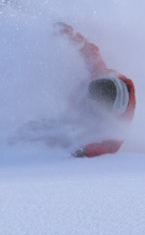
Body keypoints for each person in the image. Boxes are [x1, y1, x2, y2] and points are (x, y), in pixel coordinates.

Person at [55, 22, 136, 157]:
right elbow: (88, 50)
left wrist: (87, 151)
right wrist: (68, 33)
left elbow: (112, 146)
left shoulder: (119, 119)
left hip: (80, 119)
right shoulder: (100, 74)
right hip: (76, 108)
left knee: (60, 130)